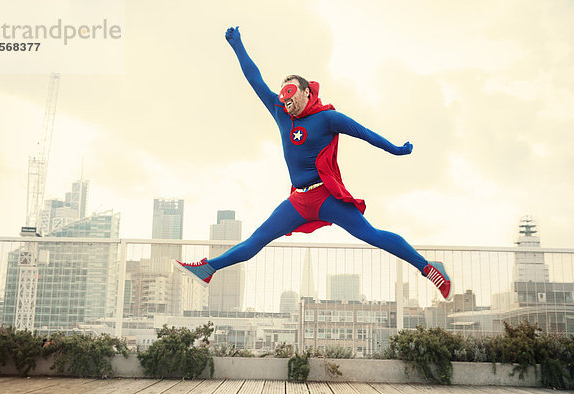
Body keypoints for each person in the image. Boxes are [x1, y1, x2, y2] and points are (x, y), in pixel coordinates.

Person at [175, 26, 453, 301]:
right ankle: (209, 269)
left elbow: (365, 133)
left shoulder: (327, 119)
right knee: (258, 239)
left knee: (371, 235)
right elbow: (254, 78)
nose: (286, 101)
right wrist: (237, 46)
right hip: (298, 201)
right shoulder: (281, 113)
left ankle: (429, 268)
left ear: (307, 92)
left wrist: (394, 149)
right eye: (283, 95)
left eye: (291, 94)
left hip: (326, 197)